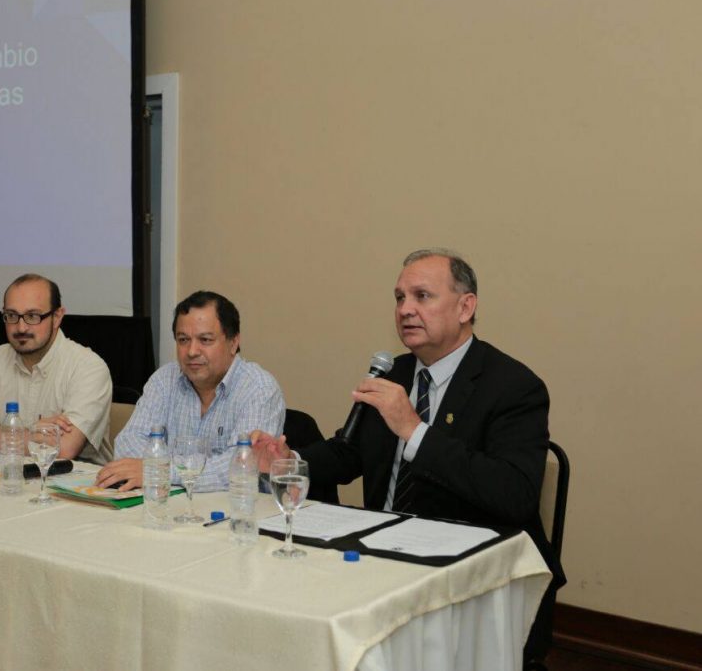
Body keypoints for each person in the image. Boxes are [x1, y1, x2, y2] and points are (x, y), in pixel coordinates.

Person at [253, 249, 564, 660]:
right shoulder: (394, 372)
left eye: (422, 296)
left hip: (466, 576)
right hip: (379, 561)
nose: (405, 310)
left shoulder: (513, 386)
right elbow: (348, 452)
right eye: (400, 298)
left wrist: (415, 431)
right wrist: (290, 461)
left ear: (465, 307)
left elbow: (514, 494)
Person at [95, 290, 285, 492]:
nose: (192, 351)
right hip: (168, 503)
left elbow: (244, 465)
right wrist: (161, 471)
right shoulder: (164, 379)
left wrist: (160, 471)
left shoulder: (258, 389)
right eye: (183, 340)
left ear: (233, 342)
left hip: (232, 508)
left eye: (205, 340)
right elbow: (128, 442)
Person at [0, 274, 112, 463]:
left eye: (32, 316)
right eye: (12, 316)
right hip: (6, 473)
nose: (21, 328)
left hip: (75, 477)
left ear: (57, 317)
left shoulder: (88, 366)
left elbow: (65, 448)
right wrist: (36, 433)